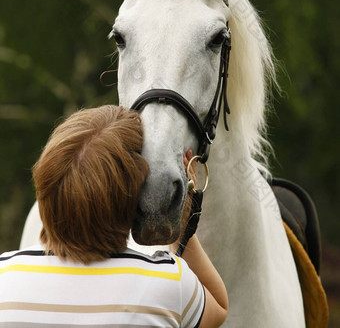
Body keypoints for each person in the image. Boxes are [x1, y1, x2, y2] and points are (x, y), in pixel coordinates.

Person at [0, 105, 228, 327]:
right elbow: (219, 307)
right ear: (133, 202)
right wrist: (182, 220)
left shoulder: (4, 275)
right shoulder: (169, 285)